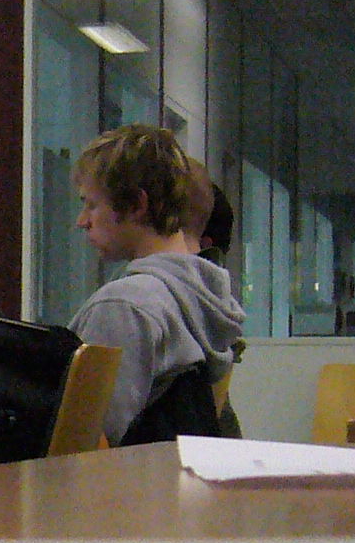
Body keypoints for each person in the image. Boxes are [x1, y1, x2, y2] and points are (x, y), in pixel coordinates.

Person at [67, 123, 244, 443]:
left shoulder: (126, 306)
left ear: (137, 205)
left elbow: (82, 442)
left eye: (91, 204)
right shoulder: (208, 299)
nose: (82, 221)